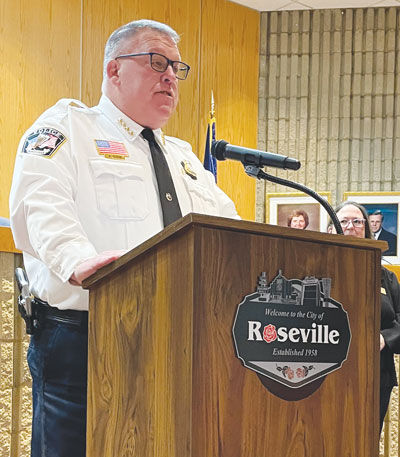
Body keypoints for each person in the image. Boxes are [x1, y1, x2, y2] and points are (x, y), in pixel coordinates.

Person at [9, 19, 239, 457]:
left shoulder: (185, 158)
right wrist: (76, 259)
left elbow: (229, 227)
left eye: (176, 67)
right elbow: (40, 202)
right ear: (114, 70)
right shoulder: (68, 128)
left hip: (176, 338)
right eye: (157, 62)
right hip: (86, 337)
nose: (171, 76)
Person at [329, 201, 400, 432]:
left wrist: (385, 338)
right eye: (343, 221)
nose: (350, 226)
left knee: (366, 437)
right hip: (327, 372)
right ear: (331, 229)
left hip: (376, 373)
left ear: (367, 230)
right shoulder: (315, 269)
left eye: (357, 221)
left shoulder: (386, 277)